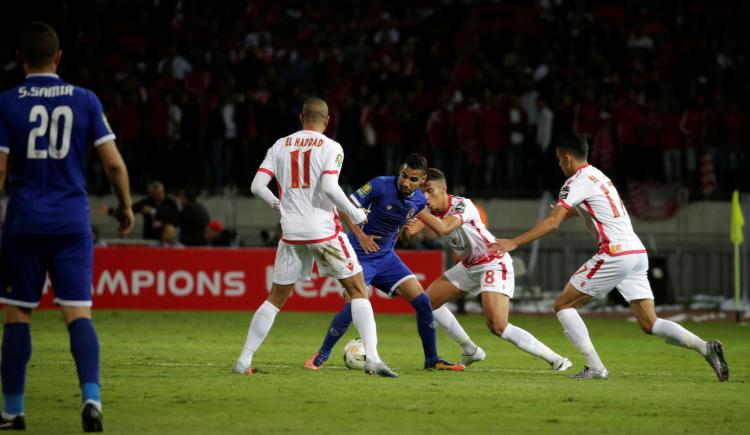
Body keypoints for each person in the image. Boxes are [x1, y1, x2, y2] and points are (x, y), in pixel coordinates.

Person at [489, 132, 729, 381]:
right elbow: (594, 207)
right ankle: (705, 347)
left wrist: (514, 242)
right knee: (650, 323)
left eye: (560, 160)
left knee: (563, 305)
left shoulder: (574, 182)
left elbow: (552, 224)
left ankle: (595, 367)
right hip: (636, 251)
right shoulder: (599, 176)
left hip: (615, 253)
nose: (559, 165)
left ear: (568, 158)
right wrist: (569, 211)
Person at [0, 22, 134, 431]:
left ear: (21, 57)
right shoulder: (86, 99)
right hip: (72, 221)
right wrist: (125, 207)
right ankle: (92, 399)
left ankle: (12, 410)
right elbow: (113, 162)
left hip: (24, 221)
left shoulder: (6, 102)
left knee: (18, 315)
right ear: (58, 58)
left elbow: (1, 168)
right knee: (78, 313)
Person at [233, 97, 397, 377]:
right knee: (358, 289)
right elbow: (330, 187)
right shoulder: (332, 146)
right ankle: (373, 360)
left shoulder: (280, 145)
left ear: (301, 118)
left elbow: (257, 186)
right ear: (328, 120)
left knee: (276, 296)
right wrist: (355, 215)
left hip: (291, 233)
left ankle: (243, 360)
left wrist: (279, 205)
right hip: (324, 232)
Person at [304, 153, 463, 371]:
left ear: (423, 181)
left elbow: (398, 227)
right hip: (360, 254)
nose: (406, 182)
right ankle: (321, 355)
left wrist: (399, 240)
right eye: (404, 175)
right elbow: (344, 207)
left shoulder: (418, 201)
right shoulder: (380, 185)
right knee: (353, 306)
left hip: (386, 258)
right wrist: (361, 235)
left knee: (423, 302)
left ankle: (432, 359)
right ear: (400, 170)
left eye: (413, 179)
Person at [403, 168, 572, 371]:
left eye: (430, 191)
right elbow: (409, 235)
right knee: (425, 304)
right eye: (422, 192)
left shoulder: (461, 205)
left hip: (493, 261)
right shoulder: (429, 210)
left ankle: (557, 360)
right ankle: (470, 349)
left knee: (497, 326)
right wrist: (405, 223)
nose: (425, 197)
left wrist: (419, 211)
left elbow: (443, 228)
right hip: (468, 266)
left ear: (444, 189)